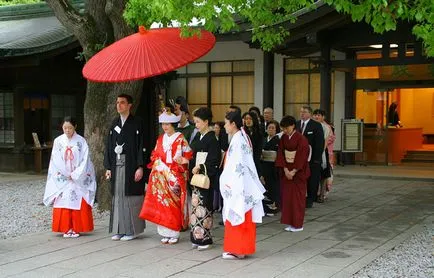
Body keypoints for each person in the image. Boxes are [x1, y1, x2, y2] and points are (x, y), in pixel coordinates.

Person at [139, 108, 192, 244]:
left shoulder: (180, 138)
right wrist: (159, 164)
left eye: (167, 124)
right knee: (162, 203)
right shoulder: (160, 139)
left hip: (174, 175)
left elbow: (188, 155)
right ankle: (164, 231)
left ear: (173, 125)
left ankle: (174, 232)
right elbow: (155, 154)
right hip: (161, 175)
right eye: (163, 124)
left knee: (172, 204)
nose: (165, 127)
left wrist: (181, 162)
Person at [220, 111, 265, 259]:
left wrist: (231, 183)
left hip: (239, 184)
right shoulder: (241, 136)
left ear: (233, 124)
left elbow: (237, 166)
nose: (224, 126)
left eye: (226, 123)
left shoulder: (239, 140)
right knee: (242, 215)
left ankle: (237, 249)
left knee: (237, 213)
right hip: (243, 183)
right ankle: (241, 249)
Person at [43, 116, 96, 238]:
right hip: (64, 176)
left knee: (77, 199)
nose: (67, 130)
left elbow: (85, 159)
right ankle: (66, 228)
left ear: (75, 127)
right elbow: (55, 160)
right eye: (65, 128)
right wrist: (66, 174)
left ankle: (77, 227)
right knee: (64, 200)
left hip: (78, 177)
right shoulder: (58, 141)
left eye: (70, 128)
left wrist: (76, 174)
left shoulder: (81, 141)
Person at [104, 94, 146, 241]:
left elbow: (142, 146)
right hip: (116, 165)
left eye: (122, 103)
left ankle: (131, 231)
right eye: (117, 103)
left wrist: (140, 166)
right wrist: (108, 167)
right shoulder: (114, 123)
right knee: (117, 197)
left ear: (130, 105)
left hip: (131, 165)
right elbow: (108, 146)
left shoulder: (137, 122)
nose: (119, 105)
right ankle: (119, 229)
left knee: (131, 197)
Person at [189, 107, 221, 251]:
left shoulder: (212, 138)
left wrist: (200, 167)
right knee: (196, 208)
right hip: (196, 176)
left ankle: (205, 238)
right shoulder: (198, 136)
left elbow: (214, 161)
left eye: (198, 122)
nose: (196, 125)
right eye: (195, 122)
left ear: (206, 121)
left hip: (205, 177)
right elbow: (192, 153)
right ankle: (196, 237)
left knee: (205, 208)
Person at [276, 115, 310, 232]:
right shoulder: (283, 139)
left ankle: (298, 224)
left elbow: (302, 156)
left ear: (293, 126)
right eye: (283, 129)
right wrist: (285, 169)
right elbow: (280, 153)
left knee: (297, 199)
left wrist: (294, 171)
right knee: (287, 199)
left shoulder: (301, 139)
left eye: (286, 128)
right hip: (287, 170)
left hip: (298, 172)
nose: (285, 131)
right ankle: (290, 223)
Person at [296, 106, 324, 208]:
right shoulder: (297, 124)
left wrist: (316, 159)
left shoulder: (316, 125)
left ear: (310, 114)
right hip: (299, 157)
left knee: (312, 179)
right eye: (301, 112)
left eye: (304, 112)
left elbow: (320, 143)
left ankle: (310, 199)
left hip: (312, 158)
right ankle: (300, 197)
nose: (302, 113)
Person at [313, 109, 335, 202]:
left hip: (325, 153)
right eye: (315, 115)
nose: (316, 117)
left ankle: (322, 193)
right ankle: (315, 193)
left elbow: (329, 139)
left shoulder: (327, 127)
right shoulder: (312, 125)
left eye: (319, 115)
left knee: (325, 174)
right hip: (313, 153)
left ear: (323, 117)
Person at [261, 120, 281, 215]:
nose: (271, 130)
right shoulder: (264, 139)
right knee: (265, 186)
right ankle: (266, 207)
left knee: (274, 187)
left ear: (276, 130)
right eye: (269, 128)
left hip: (273, 166)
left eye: (273, 128)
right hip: (264, 164)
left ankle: (274, 207)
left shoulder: (278, 140)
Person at [242, 111, 263, 178]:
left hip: (255, 161)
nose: (248, 121)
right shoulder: (242, 133)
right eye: (246, 119)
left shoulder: (259, 133)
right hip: (243, 161)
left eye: (250, 119)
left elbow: (258, 151)